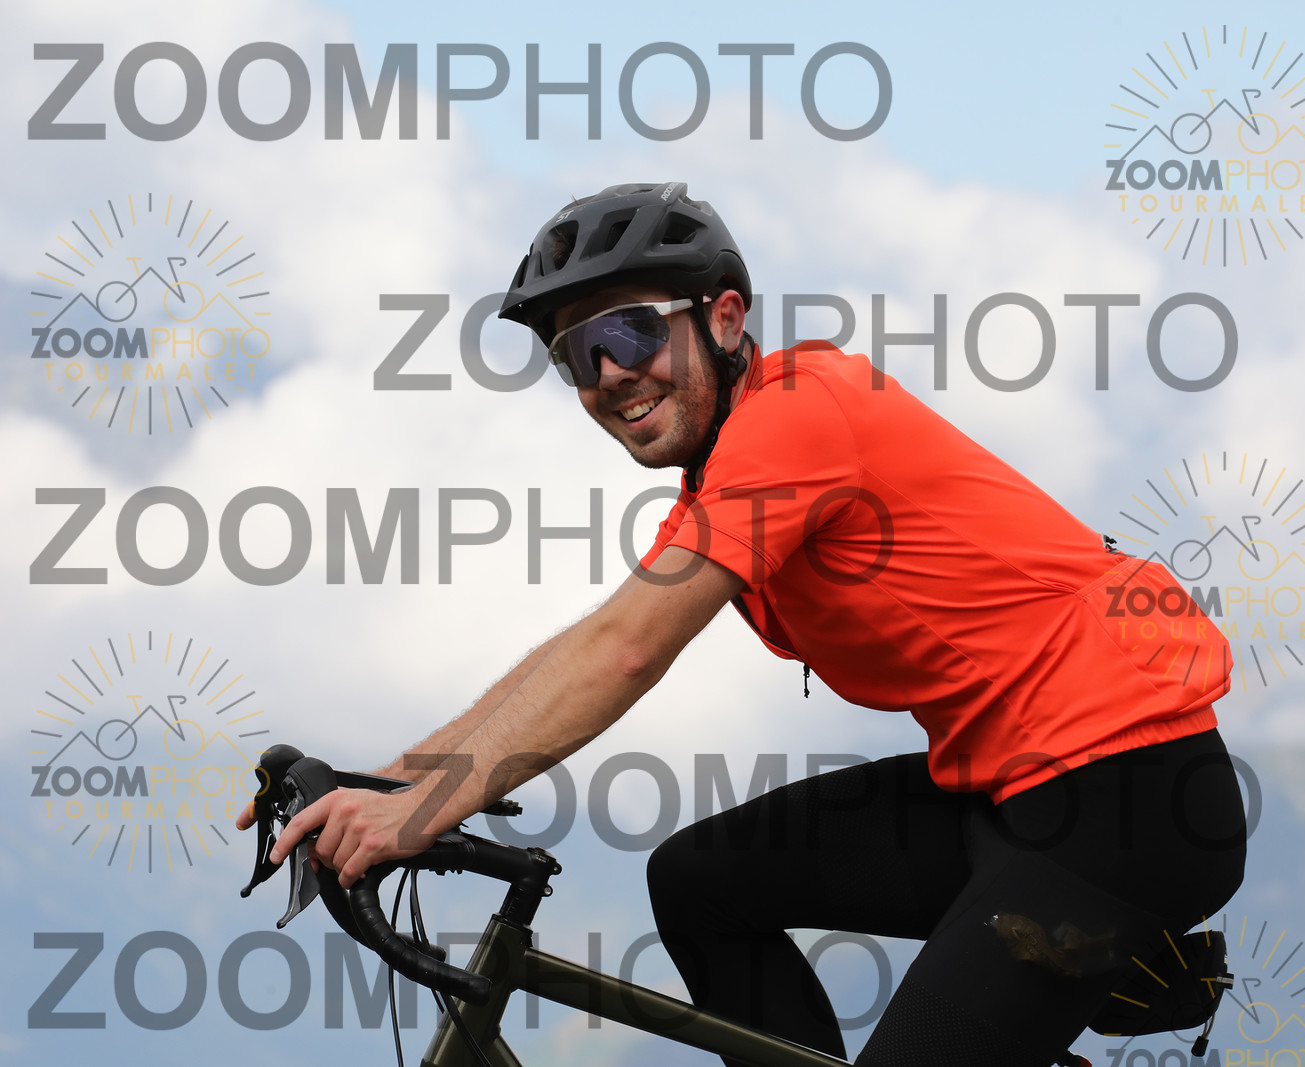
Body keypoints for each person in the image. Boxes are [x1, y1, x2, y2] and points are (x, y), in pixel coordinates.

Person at [258, 182, 1247, 1067]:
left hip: (1127, 799)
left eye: (629, 334)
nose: (607, 374)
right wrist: (395, 780)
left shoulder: (796, 415)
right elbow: (590, 638)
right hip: (1006, 787)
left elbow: (626, 648)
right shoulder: (721, 475)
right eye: (575, 356)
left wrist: (424, 807)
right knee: (702, 883)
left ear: (725, 317)